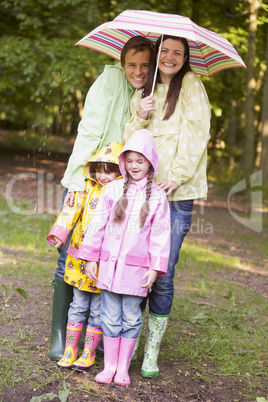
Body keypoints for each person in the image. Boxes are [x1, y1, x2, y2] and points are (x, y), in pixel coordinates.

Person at [49, 36, 154, 361]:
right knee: (70, 254)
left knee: (116, 256)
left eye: (144, 65)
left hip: (122, 187)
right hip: (90, 178)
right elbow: (91, 131)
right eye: (132, 64)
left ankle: (108, 337)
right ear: (122, 64)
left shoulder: (152, 91)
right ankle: (60, 334)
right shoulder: (110, 81)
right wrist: (79, 181)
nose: (137, 71)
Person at [123, 35, 211, 378]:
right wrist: (138, 115)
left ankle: (151, 350)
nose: (170, 57)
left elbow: (198, 133)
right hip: (142, 193)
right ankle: (128, 341)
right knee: (136, 264)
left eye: (178, 52)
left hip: (176, 193)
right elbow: (130, 140)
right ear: (156, 53)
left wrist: (176, 176)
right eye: (165, 51)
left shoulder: (191, 84)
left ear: (186, 56)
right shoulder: (143, 90)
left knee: (162, 271)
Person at [77, 129, 171, 386]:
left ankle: (122, 368)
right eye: (129, 161)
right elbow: (97, 226)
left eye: (140, 161)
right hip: (108, 268)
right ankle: (108, 367)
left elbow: (161, 236)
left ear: (150, 162)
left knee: (130, 317)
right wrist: (91, 258)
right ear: (123, 162)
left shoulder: (158, 197)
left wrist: (155, 268)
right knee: (108, 317)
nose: (134, 166)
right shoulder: (113, 189)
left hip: (135, 273)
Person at [47, 143, 123, 370]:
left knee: (99, 309)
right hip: (80, 258)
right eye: (99, 170)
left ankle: (88, 353)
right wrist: (60, 234)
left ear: (120, 172)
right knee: (78, 304)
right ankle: (71, 349)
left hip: (104, 261)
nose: (103, 176)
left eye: (109, 171)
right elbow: (71, 210)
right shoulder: (86, 189)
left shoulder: (122, 193)